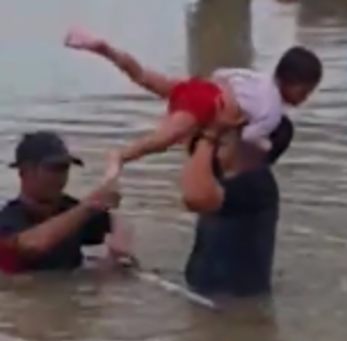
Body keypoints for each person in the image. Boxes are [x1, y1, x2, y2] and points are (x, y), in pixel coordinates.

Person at [63, 28, 321, 174]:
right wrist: (263, 144)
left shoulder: (257, 78)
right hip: (206, 106)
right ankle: (120, 157)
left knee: (143, 76)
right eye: (306, 91)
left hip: (201, 86)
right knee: (161, 140)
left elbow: (223, 74)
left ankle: (105, 49)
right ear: (294, 84)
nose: (305, 98)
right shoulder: (273, 111)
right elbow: (246, 137)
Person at [180, 115, 293, 296]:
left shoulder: (252, 184)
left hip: (227, 301)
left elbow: (194, 196)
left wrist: (207, 138)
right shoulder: (228, 176)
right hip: (213, 293)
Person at [0, 131, 130, 274]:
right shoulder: (8, 220)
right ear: (25, 172)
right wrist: (88, 206)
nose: (60, 177)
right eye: (53, 168)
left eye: (64, 168)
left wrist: (119, 249)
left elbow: (115, 220)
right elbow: (30, 246)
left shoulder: (71, 209)